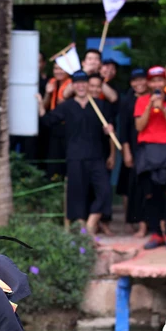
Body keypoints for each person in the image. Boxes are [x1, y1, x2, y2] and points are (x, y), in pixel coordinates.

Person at [38, 71, 117, 237]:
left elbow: (109, 127)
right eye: (77, 83)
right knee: (77, 194)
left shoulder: (99, 105)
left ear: (89, 85)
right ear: (73, 86)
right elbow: (48, 122)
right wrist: (41, 104)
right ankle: (83, 231)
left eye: (84, 82)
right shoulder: (66, 106)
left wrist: (108, 130)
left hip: (96, 156)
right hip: (75, 156)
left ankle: (91, 224)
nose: (81, 86)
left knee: (104, 191)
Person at [134, 66, 166, 251]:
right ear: (148, 83)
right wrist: (150, 106)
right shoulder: (141, 101)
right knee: (150, 195)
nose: (157, 84)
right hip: (148, 150)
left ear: (165, 82)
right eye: (153, 81)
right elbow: (139, 126)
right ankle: (155, 233)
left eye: (160, 80)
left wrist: (162, 108)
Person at [119, 68, 149, 237]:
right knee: (136, 188)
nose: (139, 84)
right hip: (134, 148)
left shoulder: (154, 98)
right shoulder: (127, 101)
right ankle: (139, 224)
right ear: (131, 83)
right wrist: (126, 152)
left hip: (151, 147)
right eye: (135, 81)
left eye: (142, 80)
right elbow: (123, 129)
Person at [88, 74, 117, 235]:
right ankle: (92, 224)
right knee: (89, 191)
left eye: (97, 87)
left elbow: (111, 134)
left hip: (102, 153)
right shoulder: (80, 105)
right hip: (85, 155)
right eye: (91, 86)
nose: (94, 89)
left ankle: (103, 221)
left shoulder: (105, 106)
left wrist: (112, 155)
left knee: (104, 190)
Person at [44, 63, 71, 180]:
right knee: (53, 161)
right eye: (56, 68)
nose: (58, 71)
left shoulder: (72, 84)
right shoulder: (51, 83)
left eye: (62, 68)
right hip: (53, 126)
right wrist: (47, 93)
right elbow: (45, 106)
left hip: (67, 128)